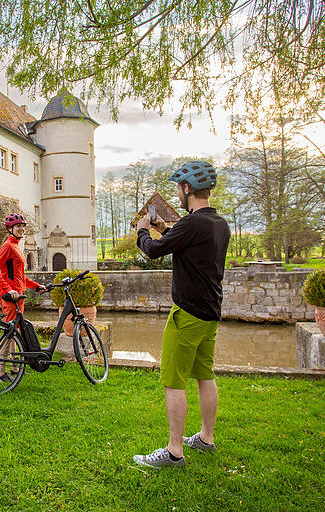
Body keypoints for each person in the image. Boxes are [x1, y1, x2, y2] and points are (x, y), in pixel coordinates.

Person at [132, 160, 230, 469]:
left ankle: (174, 452)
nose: (178, 192)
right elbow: (185, 240)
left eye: (179, 188)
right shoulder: (218, 224)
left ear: (187, 189)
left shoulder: (192, 224)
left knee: (173, 381)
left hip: (186, 314)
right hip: (210, 312)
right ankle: (206, 437)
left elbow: (153, 251)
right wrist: (164, 228)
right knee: (205, 375)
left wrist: (143, 232)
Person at [0, 213, 46, 381]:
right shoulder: (8, 246)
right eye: (18, 226)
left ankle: (14, 368)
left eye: (23, 226)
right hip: (11, 298)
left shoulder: (16, 247)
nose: (22, 228)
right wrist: (8, 289)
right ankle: (0, 373)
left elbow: (20, 276)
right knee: (9, 334)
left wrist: (36, 286)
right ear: (10, 228)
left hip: (19, 297)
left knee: (15, 333)